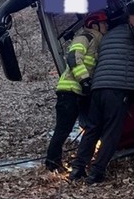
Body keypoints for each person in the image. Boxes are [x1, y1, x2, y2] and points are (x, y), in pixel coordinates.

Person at [69, 2, 134, 184]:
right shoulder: (132, 32)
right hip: (117, 88)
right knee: (112, 132)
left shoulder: (106, 38)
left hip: (98, 88)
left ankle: (77, 168)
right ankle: (96, 172)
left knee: (92, 129)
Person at [45, 10, 108, 173]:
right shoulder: (85, 37)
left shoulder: (96, 41)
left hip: (80, 92)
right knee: (63, 129)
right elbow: (73, 57)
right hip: (70, 91)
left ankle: (87, 159)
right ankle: (52, 163)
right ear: (94, 24)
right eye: (104, 23)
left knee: (91, 126)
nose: (106, 25)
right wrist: (85, 80)